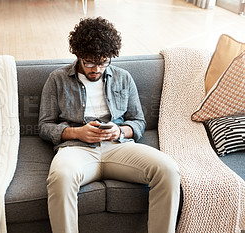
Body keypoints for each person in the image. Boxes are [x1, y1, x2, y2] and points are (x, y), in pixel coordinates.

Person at [38, 17, 180, 233]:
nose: (97, 69)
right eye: (90, 62)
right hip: (76, 150)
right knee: (61, 177)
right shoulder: (57, 79)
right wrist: (78, 132)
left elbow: (139, 121)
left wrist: (120, 130)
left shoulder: (124, 78)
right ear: (78, 56)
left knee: (168, 169)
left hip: (119, 147)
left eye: (104, 62)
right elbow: (44, 126)